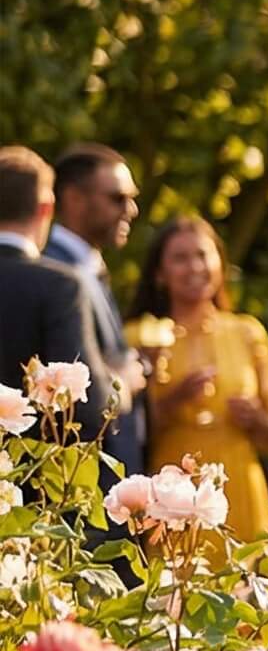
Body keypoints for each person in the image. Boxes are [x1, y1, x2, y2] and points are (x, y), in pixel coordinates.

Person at [131, 216, 268, 539]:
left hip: (239, 482)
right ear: (159, 273)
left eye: (202, 255)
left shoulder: (247, 333)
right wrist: (175, 400)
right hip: (171, 489)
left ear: (220, 264)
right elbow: (126, 434)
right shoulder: (140, 336)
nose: (194, 267)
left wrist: (256, 419)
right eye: (180, 259)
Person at [0, 147, 116, 442]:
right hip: (30, 476)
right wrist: (122, 384)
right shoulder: (60, 285)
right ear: (45, 207)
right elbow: (89, 408)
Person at [45, 143, 146, 476]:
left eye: (132, 198)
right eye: (117, 198)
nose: (131, 209)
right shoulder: (55, 271)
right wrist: (125, 378)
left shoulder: (87, 265)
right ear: (74, 198)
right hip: (78, 480)